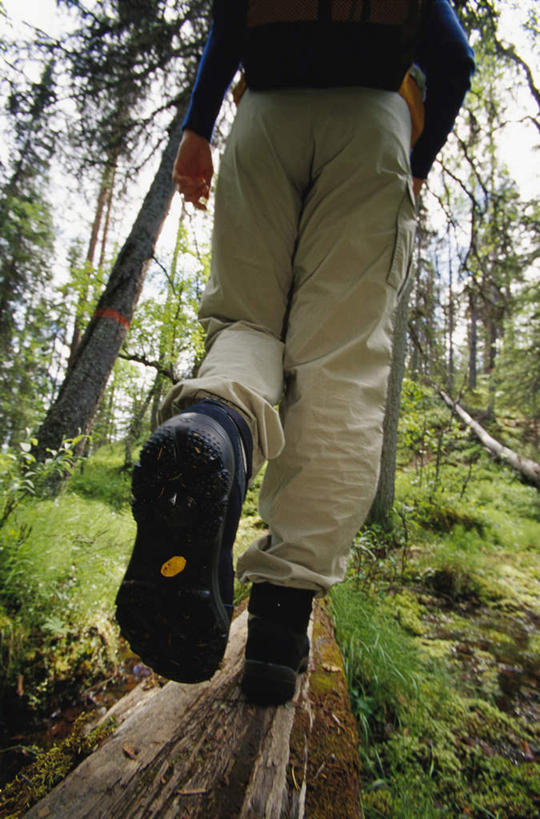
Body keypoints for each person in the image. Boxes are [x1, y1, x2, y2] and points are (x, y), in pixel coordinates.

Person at [116, 0, 475, 705]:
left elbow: (229, 21)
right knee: (339, 361)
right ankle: (279, 630)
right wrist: (418, 161)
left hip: (265, 120)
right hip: (373, 121)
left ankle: (212, 429)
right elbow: (456, 58)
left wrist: (196, 127)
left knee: (246, 324)